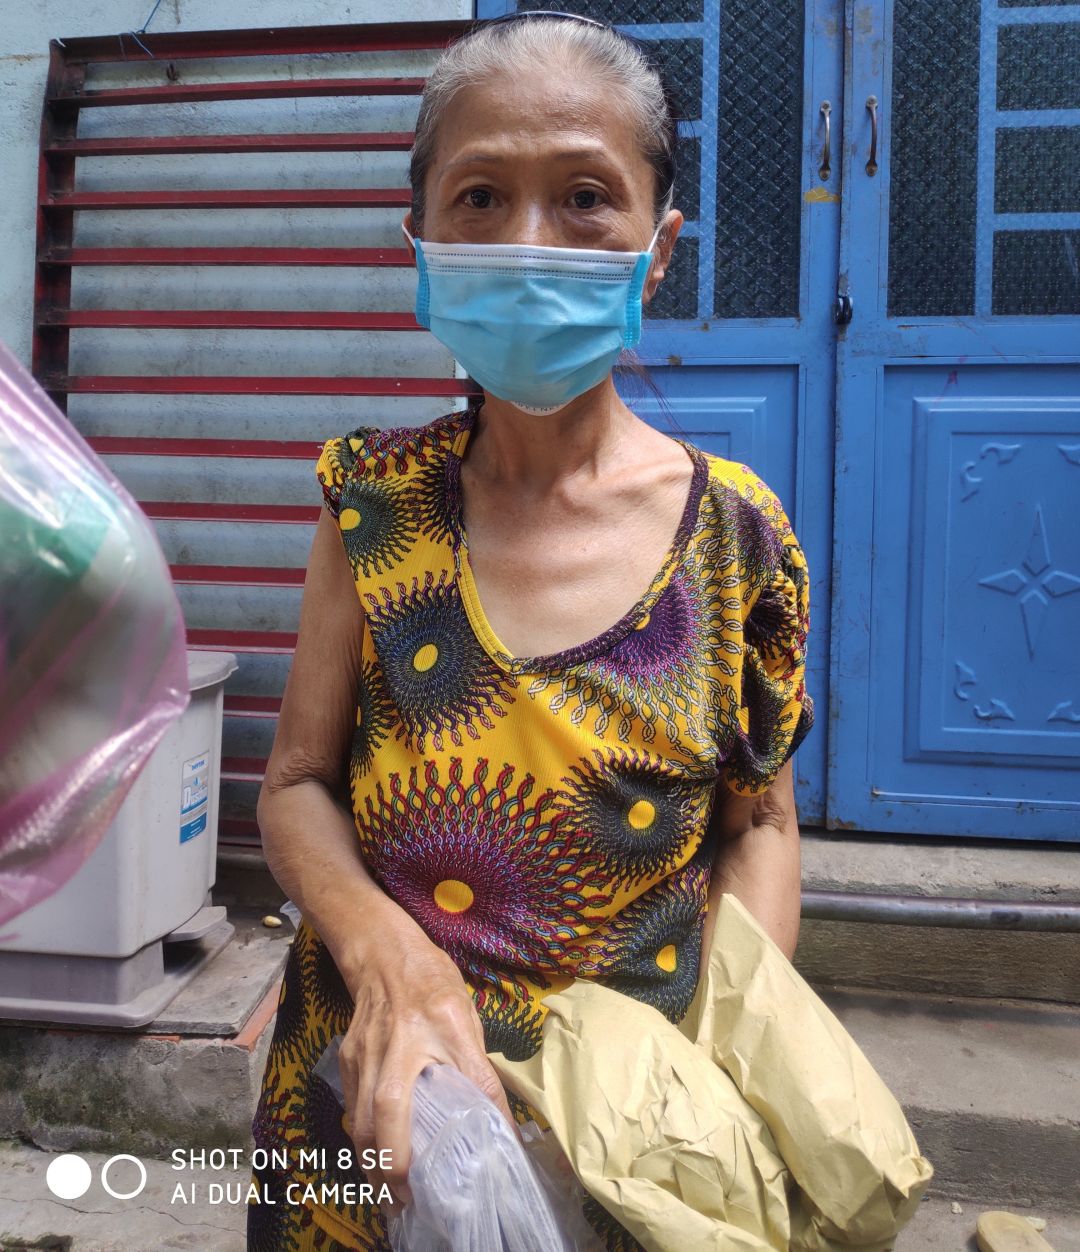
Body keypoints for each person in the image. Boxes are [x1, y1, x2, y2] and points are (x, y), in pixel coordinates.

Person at [247, 12, 814, 1251]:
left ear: (659, 250)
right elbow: (295, 784)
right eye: (481, 197)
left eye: (585, 197)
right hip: (366, 1112)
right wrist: (389, 958)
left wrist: (723, 1072)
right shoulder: (371, 502)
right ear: (421, 242)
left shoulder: (739, 542)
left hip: (631, 1140)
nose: (529, 242)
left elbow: (760, 825)